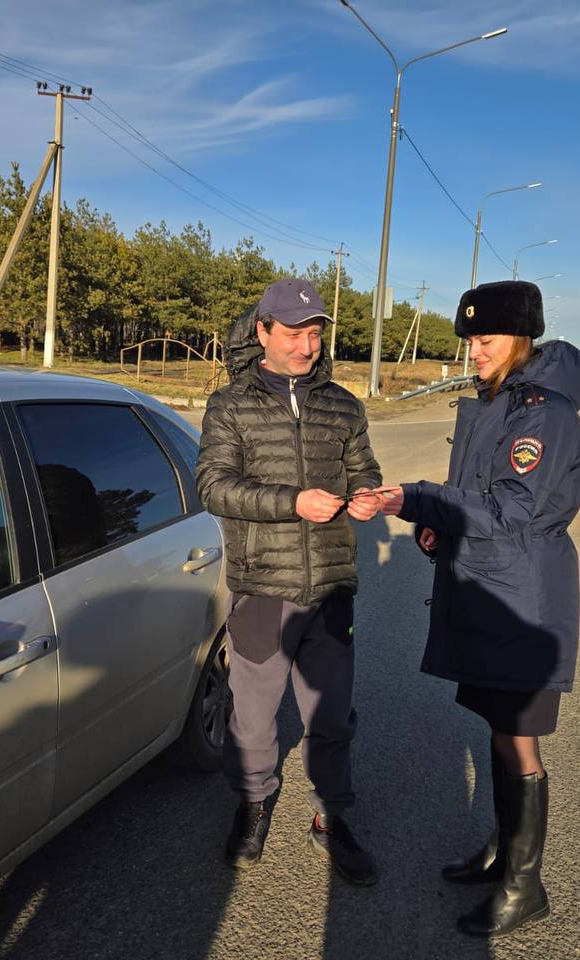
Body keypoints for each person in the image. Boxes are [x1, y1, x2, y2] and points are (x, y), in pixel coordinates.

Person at [377, 280, 580, 938]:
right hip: (495, 584)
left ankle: (526, 885)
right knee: (500, 731)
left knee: (519, 741)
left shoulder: (543, 414)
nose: (474, 350)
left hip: (521, 597)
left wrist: (414, 497)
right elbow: (475, 494)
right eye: (469, 339)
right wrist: (435, 523)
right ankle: (503, 852)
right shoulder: (501, 399)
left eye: (487, 339)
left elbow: (512, 510)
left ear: (520, 339)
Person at [196, 277, 384, 886]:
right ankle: (252, 803)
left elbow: (366, 471)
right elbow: (214, 486)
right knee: (252, 718)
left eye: (314, 333)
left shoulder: (343, 405)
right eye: (294, 333)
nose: (306, 345)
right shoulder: (230, 405)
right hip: (261, 587)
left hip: (330, 587)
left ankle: (331, 817)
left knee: (330, 719)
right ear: (263, 332)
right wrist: (290, 502)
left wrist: (366, 499)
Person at [0, 444, 105, 565]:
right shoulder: (24, 488)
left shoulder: (46, 479)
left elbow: (48, 530)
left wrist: (0, 559)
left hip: (84, 565)